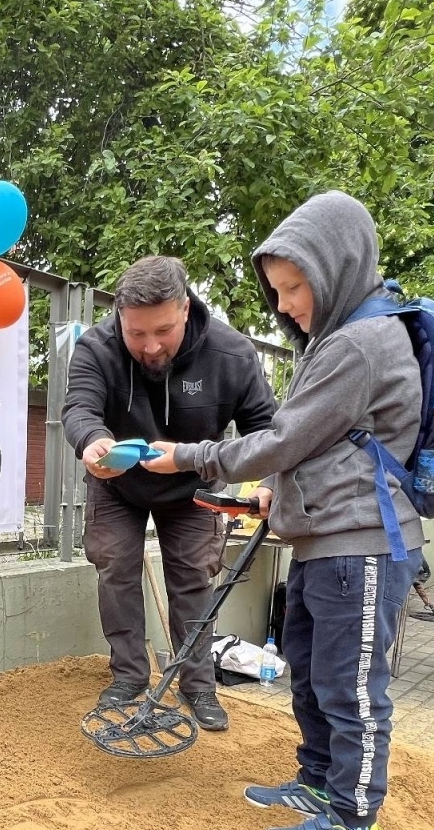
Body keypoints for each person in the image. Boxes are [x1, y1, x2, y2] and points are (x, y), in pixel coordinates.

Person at [141, 191, 424, 830]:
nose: (287, 304)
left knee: (351, 687)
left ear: (336, 268)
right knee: (313, 672)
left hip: (361, 543)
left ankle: (356, 829)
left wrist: (189, 456)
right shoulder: (338, 340)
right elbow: (325, 445)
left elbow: (282, 438)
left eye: (295, 288)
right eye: (278, 291)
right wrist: (277, 491)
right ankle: (320, 783)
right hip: (325, 539)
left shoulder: (358, 343)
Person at [62, 256, 276, 731]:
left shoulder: (232, 353)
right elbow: (78, 406)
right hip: (117, 482)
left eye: (162, 330)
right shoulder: (96, 347)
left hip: (193, 486)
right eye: (136, 334)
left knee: (194, 581)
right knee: (115, 567)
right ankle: (130, 676)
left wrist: (267, 483)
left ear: (185, 309)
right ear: (120, 316)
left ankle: (197, 685)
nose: (150, 345)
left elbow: (265, 427)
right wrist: (92, 439)